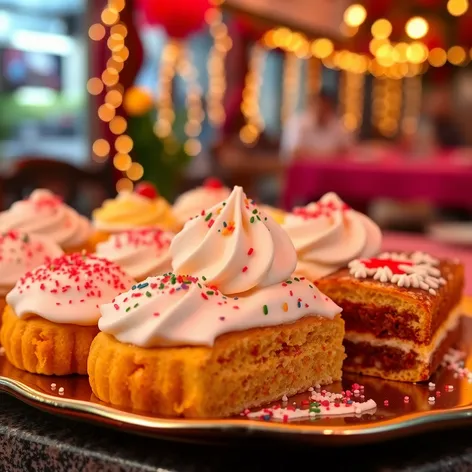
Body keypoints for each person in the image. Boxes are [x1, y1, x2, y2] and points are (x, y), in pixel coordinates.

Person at [281, 90, 353, 160]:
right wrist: (330, 154)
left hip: (331, 170)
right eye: (319, 106)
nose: (322, 110)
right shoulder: (297, 124)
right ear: (311, 106)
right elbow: (294, 153)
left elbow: (346, 151)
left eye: (326, 107)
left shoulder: (338, 126)